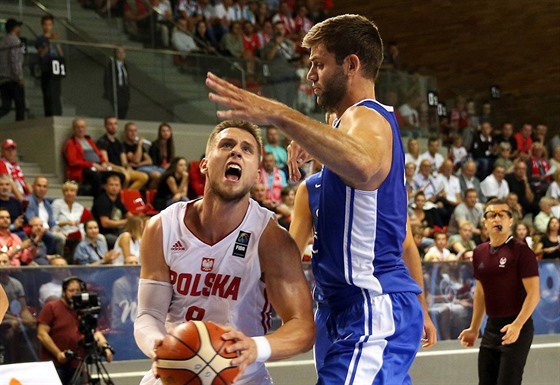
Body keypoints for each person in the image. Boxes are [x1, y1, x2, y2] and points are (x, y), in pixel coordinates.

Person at [206, 14, 435, 383]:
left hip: (370, 304)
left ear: (352, 64)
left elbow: (364, 164)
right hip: (335, 310)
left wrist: (279, 115)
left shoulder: (369, 119)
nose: (310, 74)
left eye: (318, 64)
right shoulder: (330, 153)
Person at [134, 120, 315, 384]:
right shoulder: (162, 227)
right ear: (205, 164)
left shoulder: (271, 238)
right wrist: (162, 347)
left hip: (242, 377)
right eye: (226, 145)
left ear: (255, 174)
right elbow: (149, 314)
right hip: (173, 373)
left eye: (247, 149)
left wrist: (254, 348)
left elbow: (303, 328)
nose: (236, 152)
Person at [459, 198, 540, 385]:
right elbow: (480, 292)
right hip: (491, 329)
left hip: (517, 328)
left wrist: (517, 325)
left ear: (510, 220)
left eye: (502, 214)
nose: (497, 219)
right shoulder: (479, 252)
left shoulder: (522, 251)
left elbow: (534, 294)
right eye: (491, 215)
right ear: (485, 222)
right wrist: (474, 328)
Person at [37, 277, 113, 385]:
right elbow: (42, 334)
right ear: (64, 292)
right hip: (55, 365)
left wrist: (105, 347)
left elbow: (94, 331)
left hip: (77, 363)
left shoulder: (82, 310)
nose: (75, 294)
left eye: (78, 291)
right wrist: (58, 354)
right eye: (71, 291)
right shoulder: (51, 307)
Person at [96, 116, 149, 190]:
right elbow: (105, 162)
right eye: (110, 124)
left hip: (122, 169)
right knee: (126, 177)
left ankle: (126, 193)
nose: (113, 126)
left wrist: (127, 166)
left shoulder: (118, 143)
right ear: (105, 126)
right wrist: (120, 168)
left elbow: (124, 161)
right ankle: (121, 195)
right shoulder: (102, 141)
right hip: (111, 169)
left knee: (143, 177)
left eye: (115, 124)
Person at [91, 173, 132, 249]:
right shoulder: (102, 201)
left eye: (117, 185)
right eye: (111, 185)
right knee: (124, 242)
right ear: (106, 187)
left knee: (134, 237)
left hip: (116, 231)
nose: (114, 188)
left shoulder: (117, 200)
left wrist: (136, 220)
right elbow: (105, 223)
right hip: (103, 233)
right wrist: (125, 221)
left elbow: (129, 215)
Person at [35, 15, 64, 117]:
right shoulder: (40, 39)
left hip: (56, 68)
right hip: (46, 68)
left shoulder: (55, 37)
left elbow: (61, 54)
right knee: (47, 92)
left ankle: (58, 113)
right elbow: (41, 54)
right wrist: (49, 42)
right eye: (46, 25)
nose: (48, 27)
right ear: (43, 25)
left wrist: (56, 42)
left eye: (50, 24)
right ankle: (49, 114)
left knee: (57, 92)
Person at [0, 18, 25, 121]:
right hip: (13, 79)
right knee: (20, 106)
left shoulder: (2, 42)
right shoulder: (15, 41)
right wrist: (19, 77)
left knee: (6, 107)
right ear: (14, 28)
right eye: (18, 26)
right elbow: (15, 60)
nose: (20, 28)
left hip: (3, 79)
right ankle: (20, 129)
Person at [103, 46, 130, 119]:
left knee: (124, 110)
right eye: (119, 52)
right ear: (115, 53)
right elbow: (107, 80)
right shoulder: (111, 65)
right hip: (116, 91)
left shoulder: (125, 65)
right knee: (117, 109)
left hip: (124, 92)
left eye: (123, 52)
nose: (121, 54)